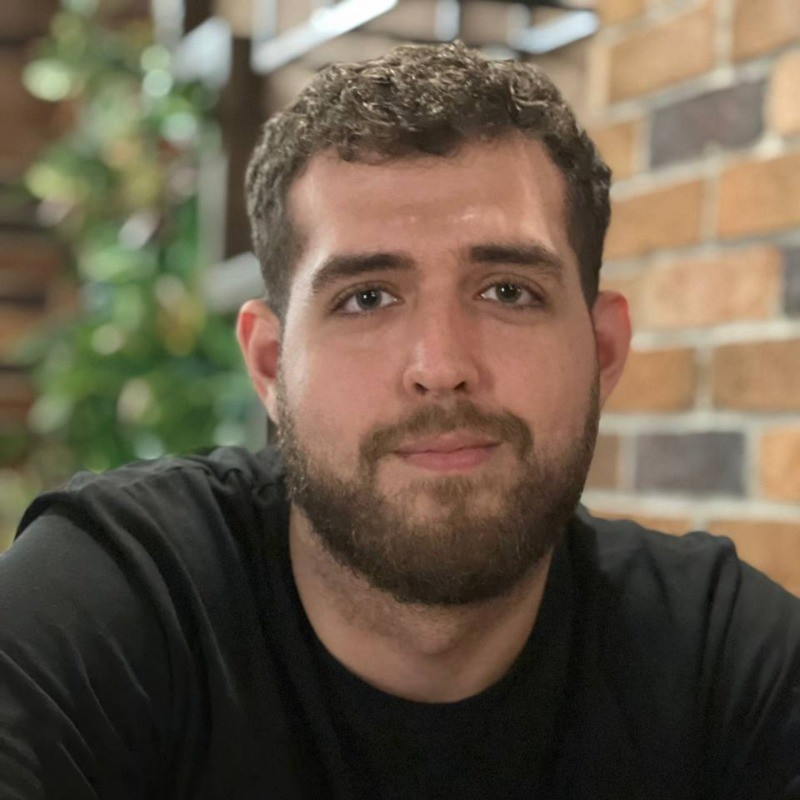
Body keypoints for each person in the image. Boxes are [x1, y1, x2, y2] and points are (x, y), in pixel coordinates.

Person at [1, 41, 798, 800]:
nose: (440, 365)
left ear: (602, 349)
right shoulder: (117, 605)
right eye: (367, 298)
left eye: (508, 291)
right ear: (272, 366)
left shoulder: (725, 661)